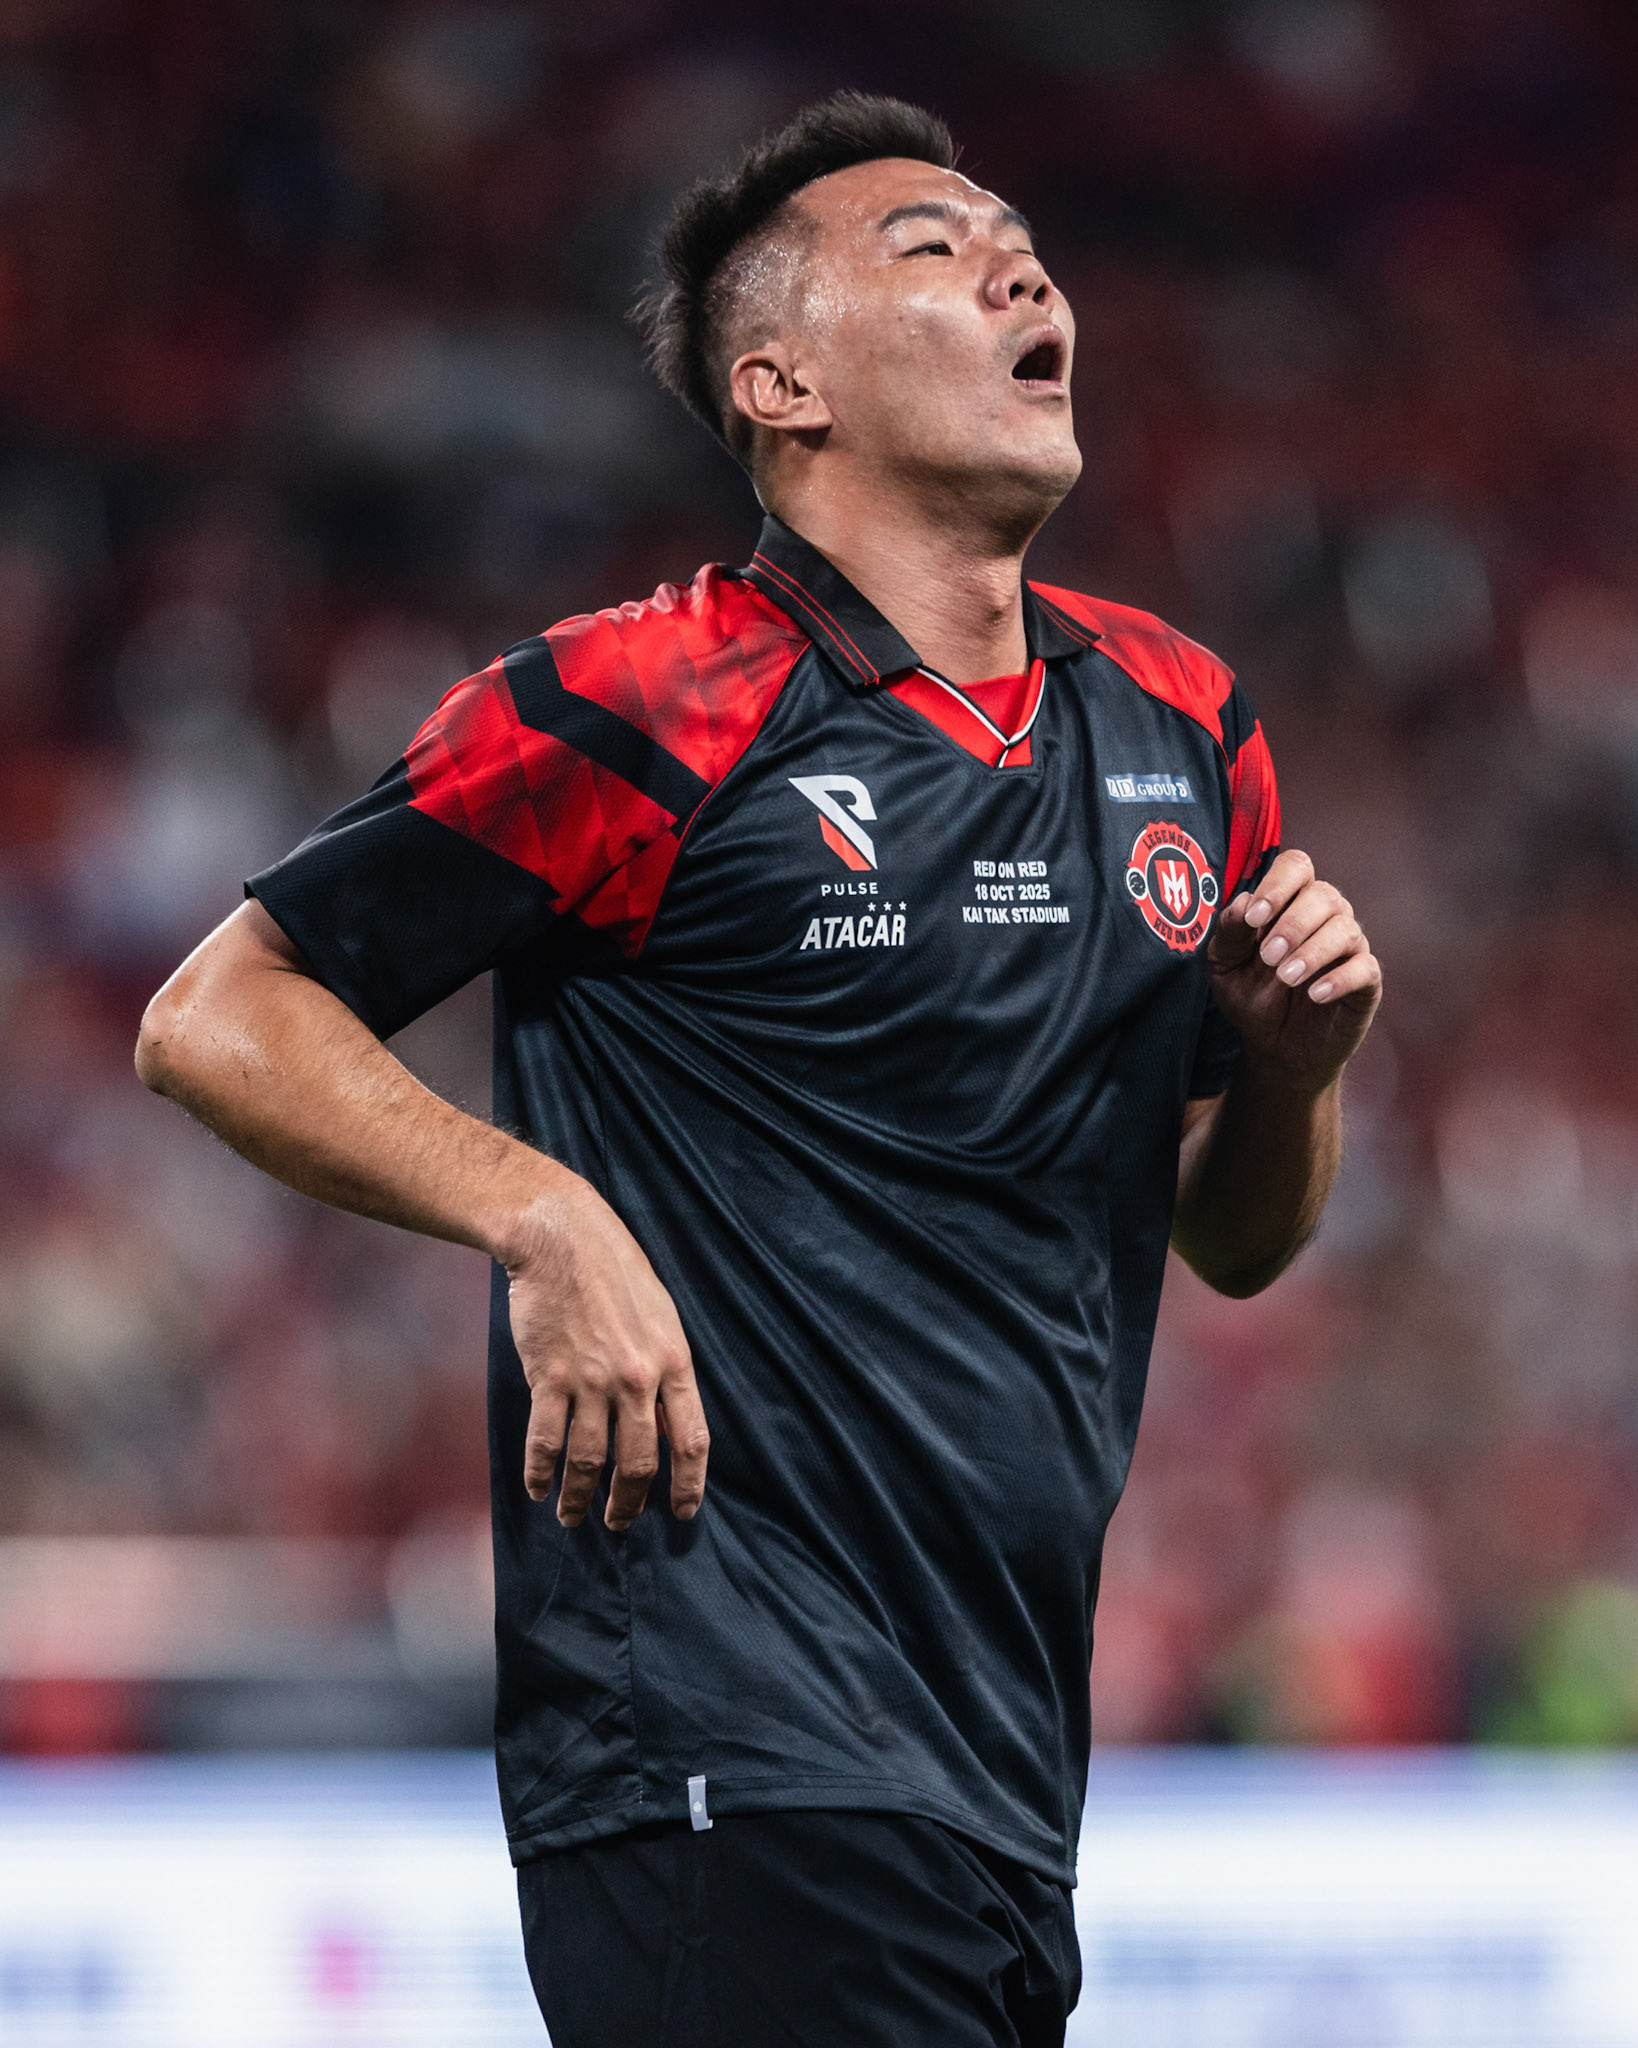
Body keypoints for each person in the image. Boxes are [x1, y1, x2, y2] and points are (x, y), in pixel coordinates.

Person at [136, 90, 1380, 2048]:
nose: (1020, 266)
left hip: (998, 1774)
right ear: (783, 380)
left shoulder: (1183, 723)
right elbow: (219, 1007)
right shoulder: (641, 697)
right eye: (934, 247)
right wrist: (536, 1209)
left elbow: (1234, 1239)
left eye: (1022, 241)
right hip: (717, 1740)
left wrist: (1297, 1074)